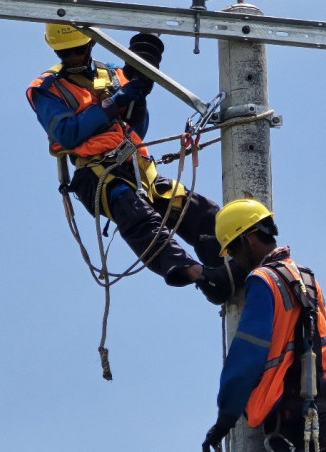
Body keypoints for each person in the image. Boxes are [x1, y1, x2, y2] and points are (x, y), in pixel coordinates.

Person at [26, 23, 240, 300]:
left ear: (90, 44)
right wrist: (116, 101)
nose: (73, 58)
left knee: (199, 211)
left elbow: (136, 130)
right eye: (65, 53)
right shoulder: (46, 87)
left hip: (138, 167)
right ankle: (196, 274)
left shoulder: (114, 73)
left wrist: (136, 102)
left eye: (78, 50)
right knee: (137, 215)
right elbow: (68, 133)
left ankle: (233, 266)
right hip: (97, 174)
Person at [202, 199, 326, 451]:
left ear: (250, 238)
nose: (235, 259)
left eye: (233, 249)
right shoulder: (307, 277)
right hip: (320, 410)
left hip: (285, 414)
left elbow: (248, 350)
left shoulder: (263, 279)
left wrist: (226, 417)